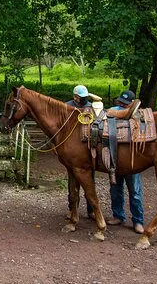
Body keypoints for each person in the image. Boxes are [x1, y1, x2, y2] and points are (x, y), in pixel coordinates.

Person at [107, 90, 145, 234]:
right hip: (115, 159)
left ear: (131, 103)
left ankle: (138, 220)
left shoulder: (137, 115)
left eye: (125, 104)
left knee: (135, 192)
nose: (122, 105)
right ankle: (118, 215)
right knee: (115, 190)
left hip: (132, 161)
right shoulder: (112, 110)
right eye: (121, 102)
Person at [64, 84, 95, 218]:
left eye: (85, 97)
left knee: (90, 182)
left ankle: (91, 210)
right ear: (75, 97)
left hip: (87, 148)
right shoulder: (67, 107)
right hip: (73, 148)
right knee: (72, 183)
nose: (83, 99)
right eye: (81, 97)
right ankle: (72, 209)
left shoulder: (90, 107)